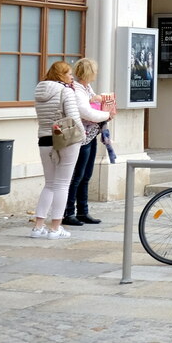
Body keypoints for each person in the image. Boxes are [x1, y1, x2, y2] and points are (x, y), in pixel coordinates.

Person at [30, 62, 84, 240]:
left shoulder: (40, 91)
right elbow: (73, 117)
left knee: (50, 184)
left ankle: (38, 227)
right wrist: (82, 136)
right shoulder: (65, 91)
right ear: (61, 75)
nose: (72, 77)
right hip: (65, 139)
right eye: (68, 73)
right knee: (62, 184)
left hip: (44, 138)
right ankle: (55, 228)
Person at [63, 58, 112, 226]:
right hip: (81, 137)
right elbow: (86, 113)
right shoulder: (77, 89)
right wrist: (107, 115)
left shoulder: (86, 87)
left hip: (90, 135)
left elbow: (91, 105)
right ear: (88, 73)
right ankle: (68, 212)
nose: (96, 74)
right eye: (94, 71)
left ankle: (83, 211)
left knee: (86, 175)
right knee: (77, 176)